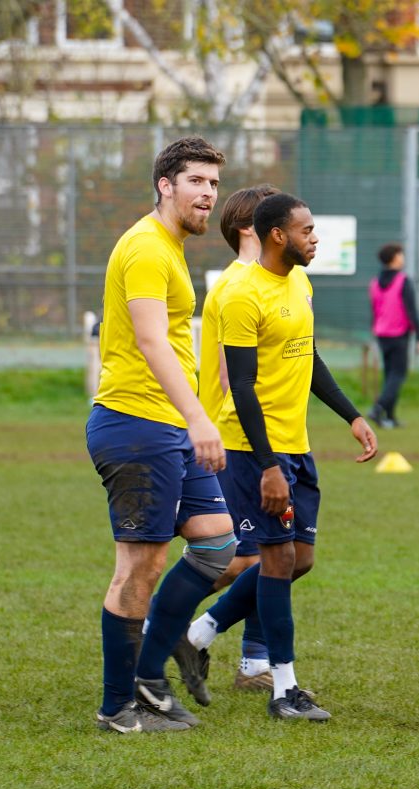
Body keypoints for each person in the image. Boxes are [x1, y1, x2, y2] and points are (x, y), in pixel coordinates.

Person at [184, 193, 378, 721]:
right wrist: (268, 465)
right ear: (276, 235)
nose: (315, 239)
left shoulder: (299, 282)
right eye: (307, 230)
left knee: (300, 559)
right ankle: (282, 689)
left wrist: (352, 416)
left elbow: (309, 359)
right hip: (253, 449)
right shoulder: (241, 293)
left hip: (296, 444)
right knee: (276, 559)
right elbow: (242, 387)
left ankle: (197, 632)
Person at [86, 136, 234, 733]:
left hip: (167, 424)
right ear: (164, 185)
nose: (208, 195)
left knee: (219, 546)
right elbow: (150, 341)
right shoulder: (147, 248)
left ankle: (150, 670)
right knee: (140, 568)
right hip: (135, 423)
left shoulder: (170, 248)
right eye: (196, 181)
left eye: (214, 184)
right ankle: (119, 706)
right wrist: (200, 417)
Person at [170, 183, 281, 706]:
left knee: (270, 555)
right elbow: (229, 374)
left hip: (270, 440)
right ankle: (167, 625)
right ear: (249, 229)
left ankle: (254, 660)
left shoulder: (277, 282)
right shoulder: (236, 286)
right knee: (245, 560)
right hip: (235, 442)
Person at [368, 243, 419, 428]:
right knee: (398, 375)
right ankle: (377, 409)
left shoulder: (375, 283)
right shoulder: (403, 281)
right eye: (400, 254)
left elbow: (375, 310)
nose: (402, 258)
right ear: (394, 258)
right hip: (399, 334)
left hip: (381, 334)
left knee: (390, 375)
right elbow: (412, 311)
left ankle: (390, 417)